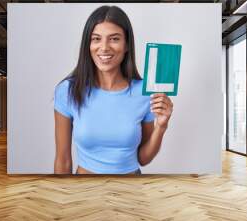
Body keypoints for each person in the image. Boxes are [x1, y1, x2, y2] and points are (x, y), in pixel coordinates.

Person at [54, 5, 173, 174]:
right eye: (96, 39)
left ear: (126, 45)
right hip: (84, 192)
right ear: (88, 44)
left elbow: (143, 158)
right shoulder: (68, 91)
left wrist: (161, 126)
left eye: (114, 39)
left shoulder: (144, 92)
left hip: (130, 193)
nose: (104, 47)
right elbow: (63, 159)